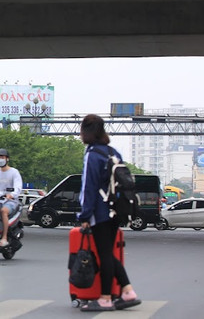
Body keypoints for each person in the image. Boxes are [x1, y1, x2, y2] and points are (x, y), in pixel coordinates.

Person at [78, 114, 141, 312]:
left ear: (86, 131)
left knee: (105, 255)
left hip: (100, 212)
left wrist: (85, 216)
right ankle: (128, 291)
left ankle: (105, 298)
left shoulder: (92, 155)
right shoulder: (113, 153)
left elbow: (89, 187)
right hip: (116, 210)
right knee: (108, 254)